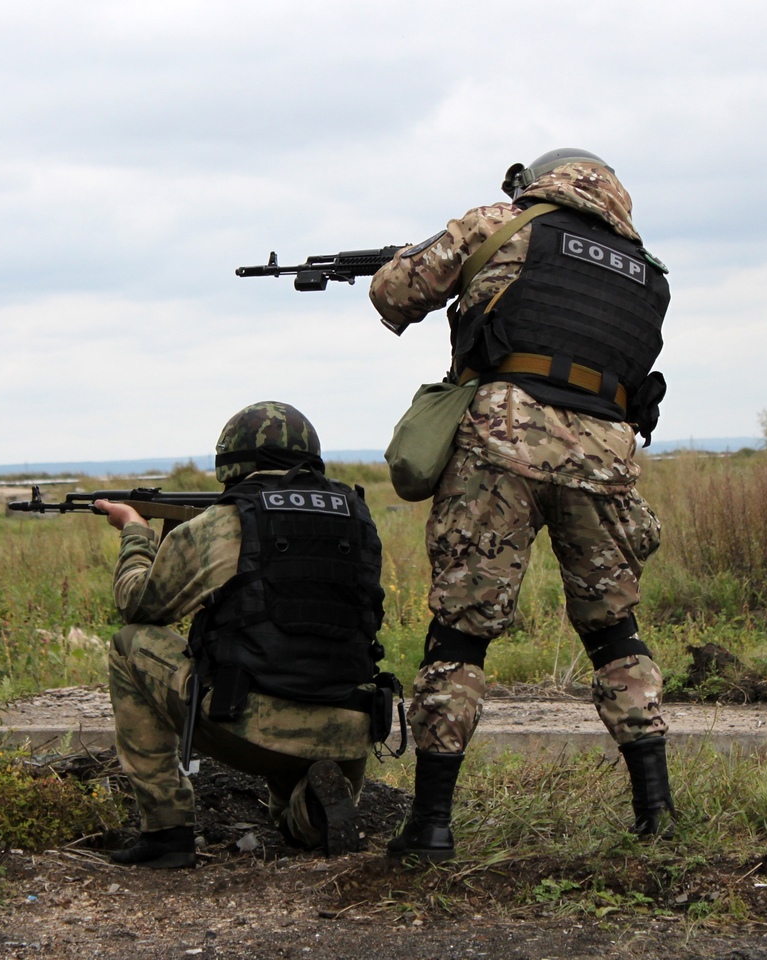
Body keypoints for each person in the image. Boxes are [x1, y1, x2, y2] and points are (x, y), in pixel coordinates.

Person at [369, 148, 673, 861]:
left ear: (540, 181)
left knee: (462, 632)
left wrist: (429, 256)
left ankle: (432, 826)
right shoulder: (650, 276)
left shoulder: (500, 224)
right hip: (604, 457)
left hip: (500, 441)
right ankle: (656, 813)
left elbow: (393, 293)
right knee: (614, 631)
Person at [96, 401, 388, 868]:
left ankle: (166, 830)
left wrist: (135, 532)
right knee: (292, 821)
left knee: (127, 644)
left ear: (231, 462)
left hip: (253, 722)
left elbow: (140, 605)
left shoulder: (223, 521)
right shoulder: (360, 518)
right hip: (348, 728)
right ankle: (313, 810)